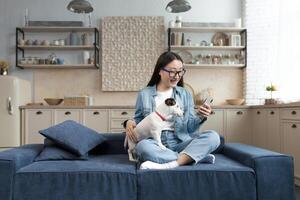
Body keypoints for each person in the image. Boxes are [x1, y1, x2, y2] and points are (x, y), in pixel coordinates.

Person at [124, 51, 220, 169]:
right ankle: (191, 157)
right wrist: (129, 121)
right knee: (142, 147)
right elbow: (139, 121)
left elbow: (190, 128)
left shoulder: (185, 94)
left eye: (180, 71)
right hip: (154, 142)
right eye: (172, 71)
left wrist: (200, 116)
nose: (177, 75)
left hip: (180, 142)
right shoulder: (144, 94)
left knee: (213, 137)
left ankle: (171, 163)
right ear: (159, 71)